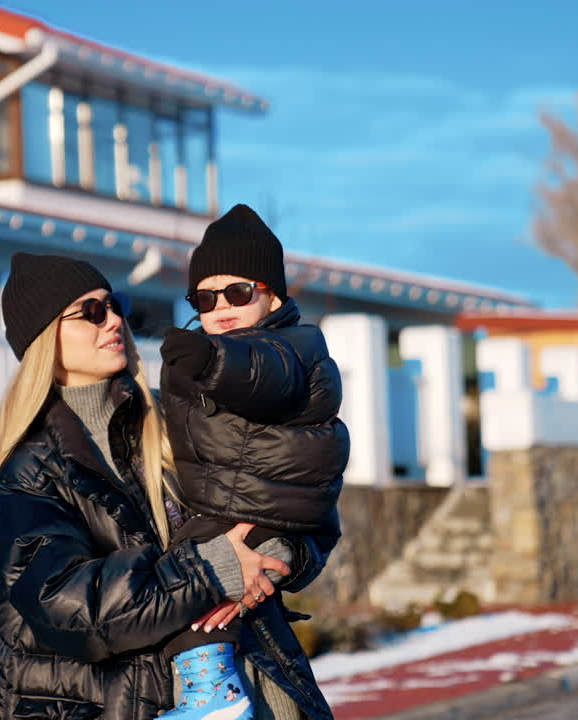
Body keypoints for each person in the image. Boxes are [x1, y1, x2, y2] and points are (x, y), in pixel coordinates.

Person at [0, 252, 305, 720]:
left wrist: (282, 553)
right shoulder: (31, 471)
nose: (113, 321)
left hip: (263, 690)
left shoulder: (176, 417)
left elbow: (288, 488)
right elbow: (72, 607)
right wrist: (210, 572)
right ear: (46, 338)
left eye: (115, 304)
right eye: (90, 311)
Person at [158, 204, 349, 719]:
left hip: (260, 503)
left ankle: (212, 693)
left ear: (274, 297)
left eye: (238, 293)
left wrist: (213, 360)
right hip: (238, 499)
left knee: (189, 575)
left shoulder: (291, 347)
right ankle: (212, 685)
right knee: (195, 588)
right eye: (205, 297)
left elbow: (264, 373)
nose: (220, 306)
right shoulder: (209, 356)